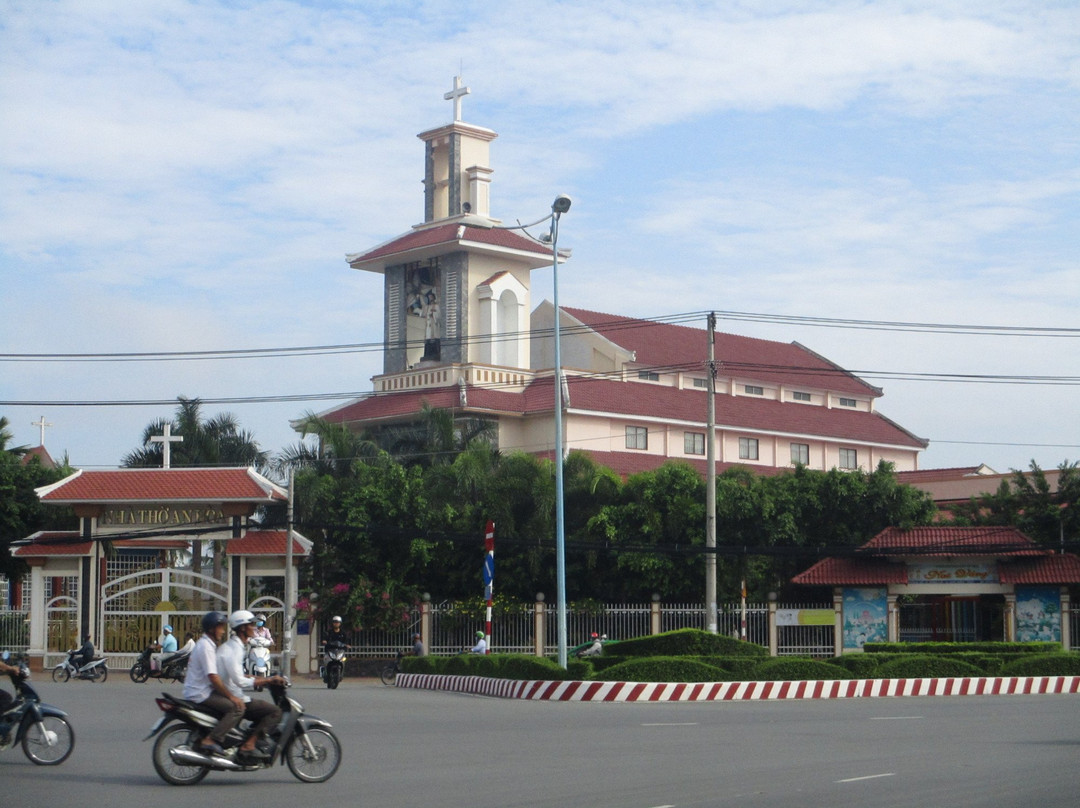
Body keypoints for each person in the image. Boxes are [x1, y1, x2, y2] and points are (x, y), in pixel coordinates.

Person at [218, 610, 286, 761]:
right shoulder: (235, 649)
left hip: (228, 692)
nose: (254, 628)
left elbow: (240, 674)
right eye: (251, 624)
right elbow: (240, 681)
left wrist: (264, 678)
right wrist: (267, 681)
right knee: (274, 712)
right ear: (242, 628)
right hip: (233, 696)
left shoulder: (233, 645)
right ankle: (249, 744)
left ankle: (247, 738)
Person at [182, 611, 245, 757]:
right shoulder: (206, 647)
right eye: (221, 628)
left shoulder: (206, 644)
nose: (223, 632)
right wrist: (231, 697)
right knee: (237, 708)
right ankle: (212, 740)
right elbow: (213, 677)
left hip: (200, 690)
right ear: (212, 629)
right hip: (201, 693)